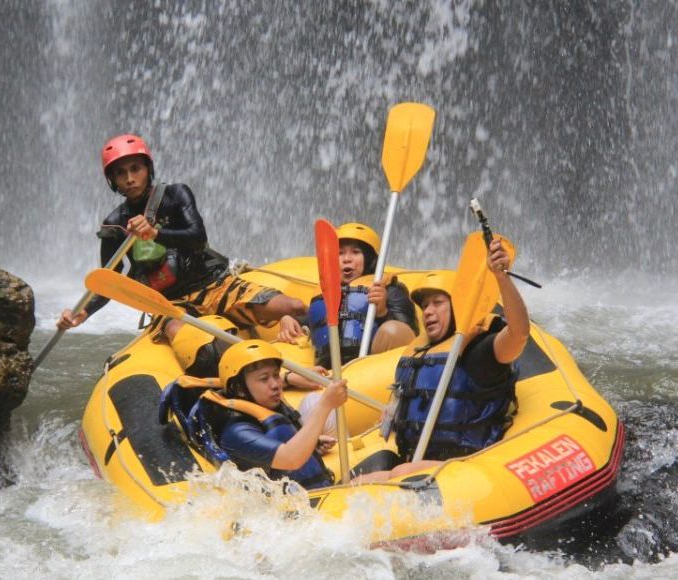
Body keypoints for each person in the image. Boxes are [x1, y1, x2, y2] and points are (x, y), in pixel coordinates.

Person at [56, 134, 305, 339]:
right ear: (112, 179)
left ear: (147, 169)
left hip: (216, 285)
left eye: (135, 169)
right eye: (121, 173)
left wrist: (155, 233)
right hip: (172, 306)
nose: (130, 179)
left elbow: (198, 237)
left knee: (294, 307)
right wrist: (84, 312)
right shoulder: (114, 225)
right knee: (193, 342)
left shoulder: (176, 195)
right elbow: (110, 280)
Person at [356, 236, 529, 482]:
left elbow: (519, 333)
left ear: (458, 307)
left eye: (438, 303)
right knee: (358, 479)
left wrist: (502, 278)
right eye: (425, 305)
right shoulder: (418, 353)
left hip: (465, 465)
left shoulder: (478, 352)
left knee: (400, 473)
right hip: (416, 462)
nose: (428, 311)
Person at [189, 340, 348, 490]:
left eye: (276, 375)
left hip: (313, 494)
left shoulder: (269, 405)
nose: (276, 385)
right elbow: (290, 459)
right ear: (239, 389)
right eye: (264, 379)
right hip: (288, 512)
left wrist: (312, 443)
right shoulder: (237, 432)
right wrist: (325, 405)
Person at [276, 222, 417, 377]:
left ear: (369, 258)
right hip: (329, 369)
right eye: (340, 253)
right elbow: (317, 322)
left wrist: (382, 312)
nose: (347, 259)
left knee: (392, 330)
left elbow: (410, 333)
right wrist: (288, 319)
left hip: (374, 368)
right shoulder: (325, 293)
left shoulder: (390, 289)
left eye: (355, 252)